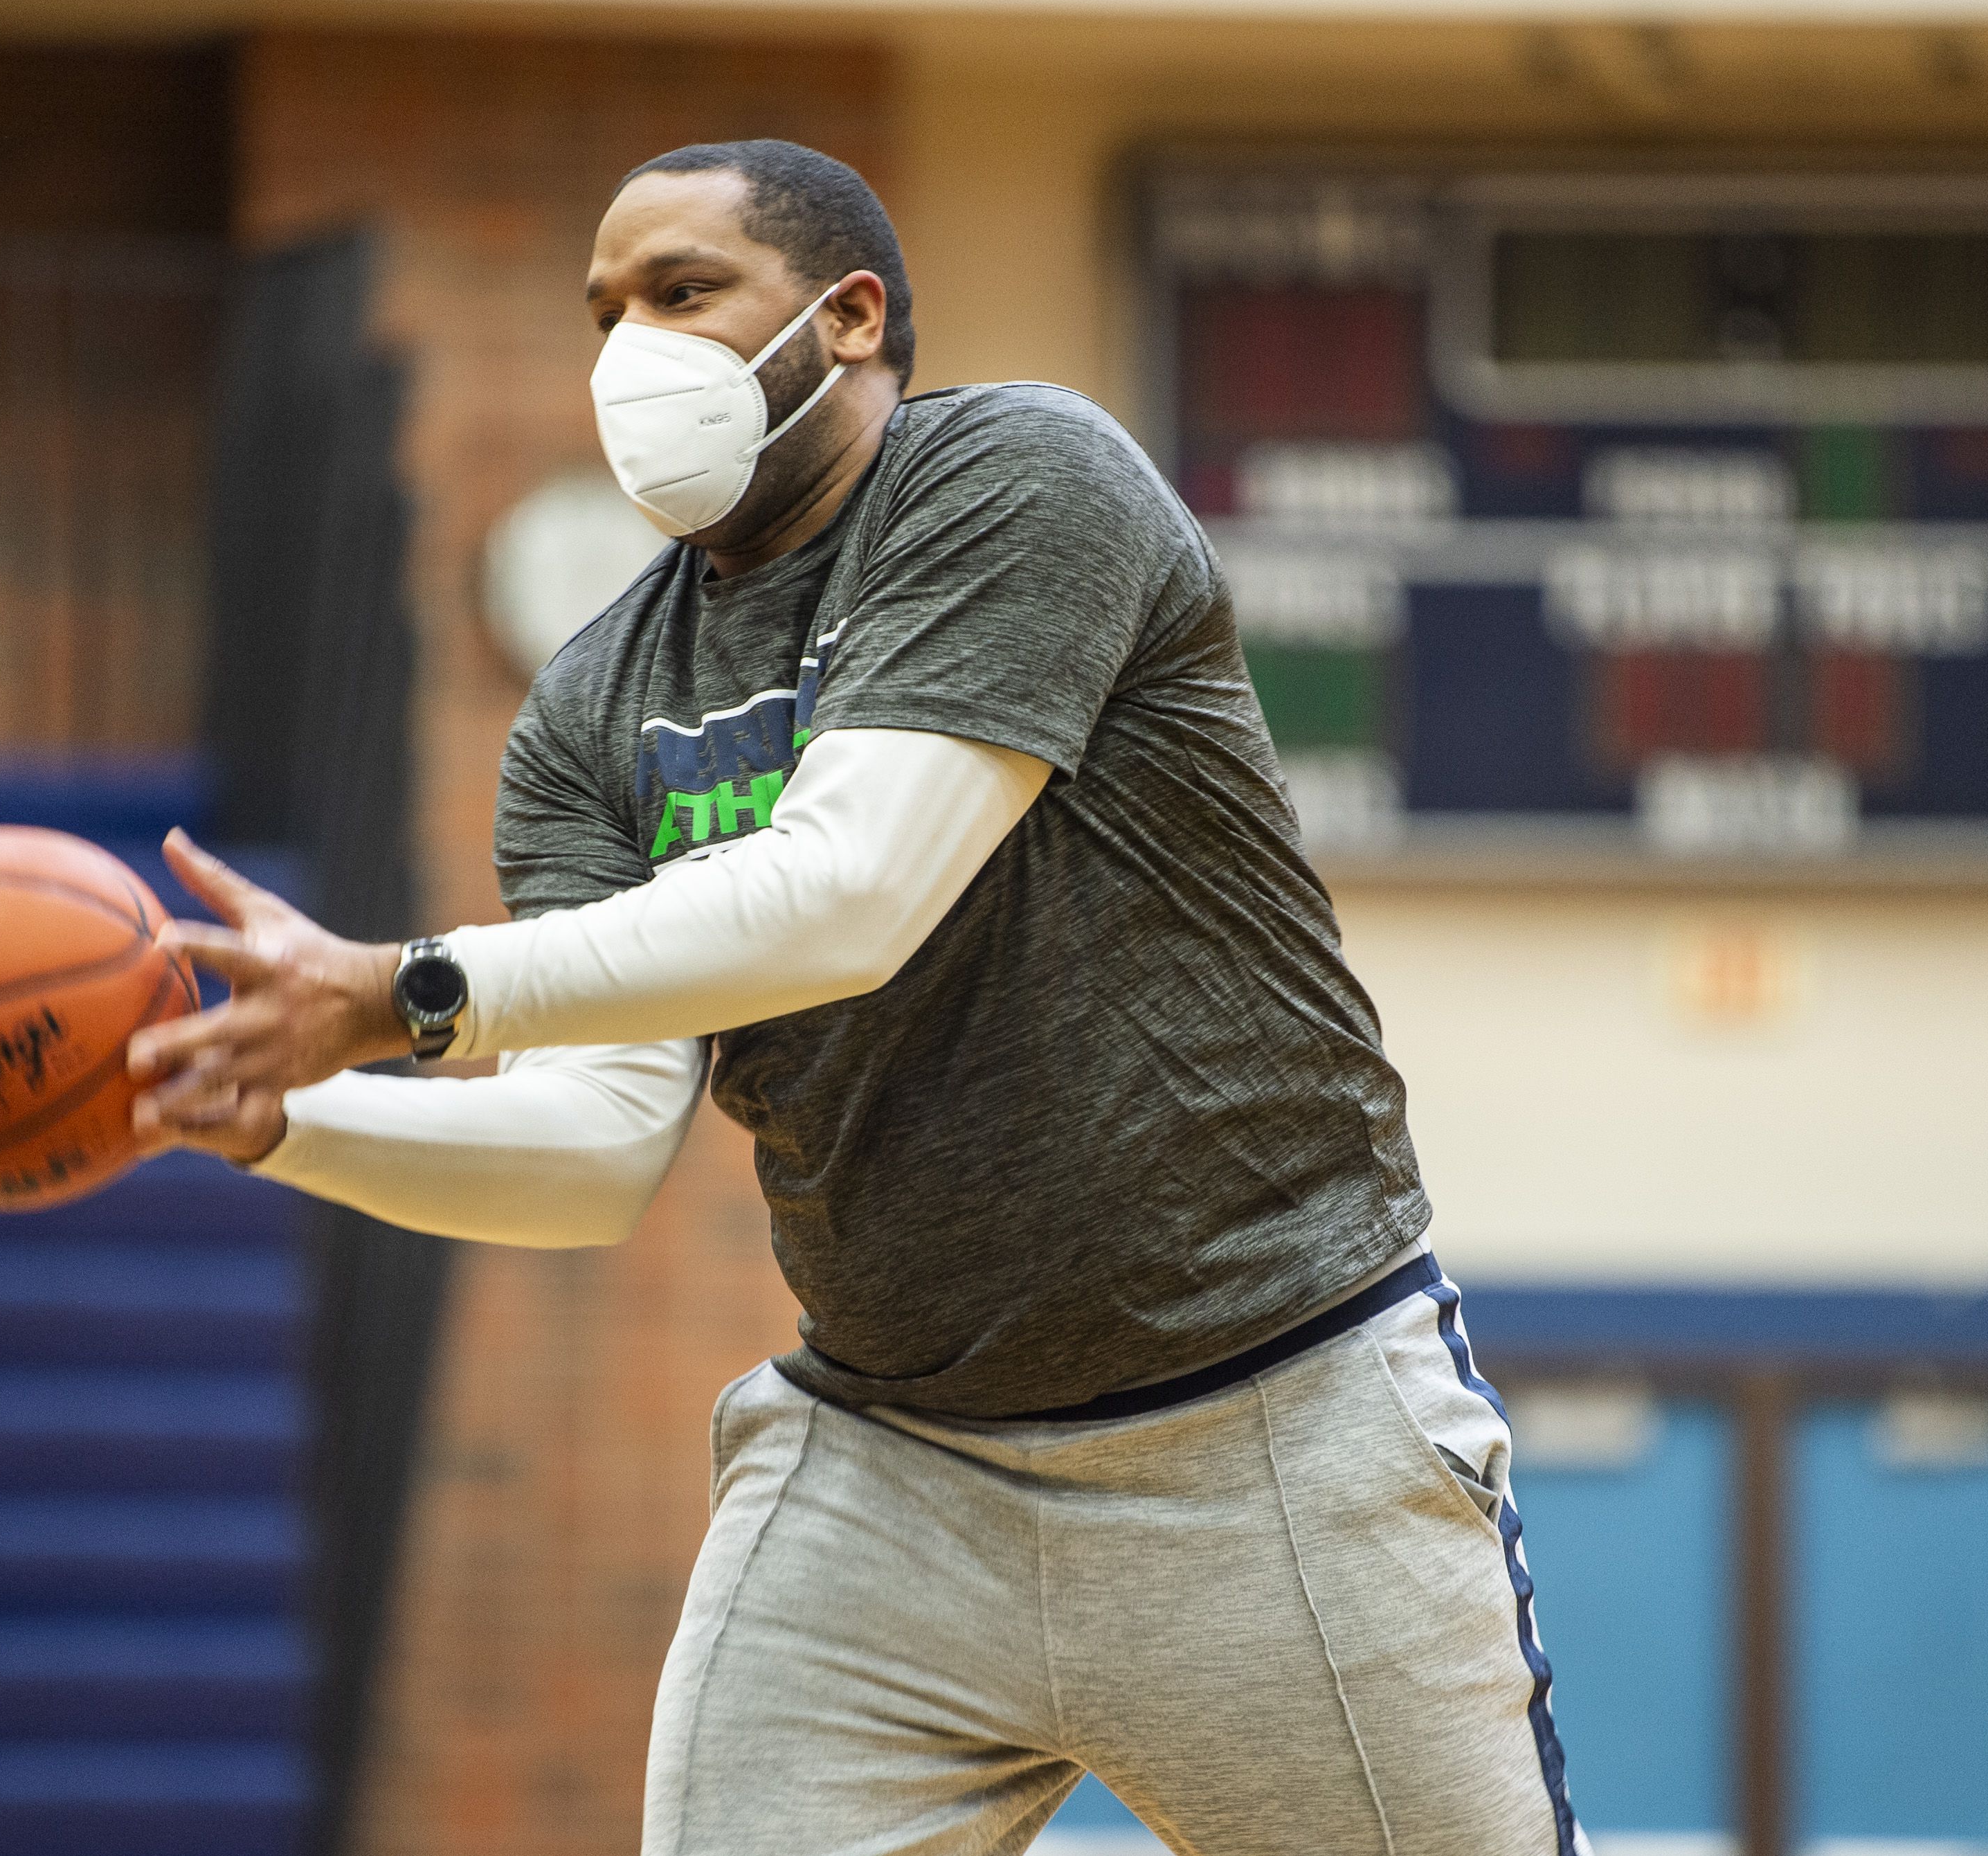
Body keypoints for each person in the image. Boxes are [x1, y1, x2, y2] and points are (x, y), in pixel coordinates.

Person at [129, 138, 1582, 1855]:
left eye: (680, 294)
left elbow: (852, 891)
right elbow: (596, 1143)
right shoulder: (590, 705)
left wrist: (404, 989)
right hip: (898, 1464)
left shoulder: (1016, 474)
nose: (628, 355)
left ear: (849, 315)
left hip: (1270, 1419)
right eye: (603, 315)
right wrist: (286, 1114)